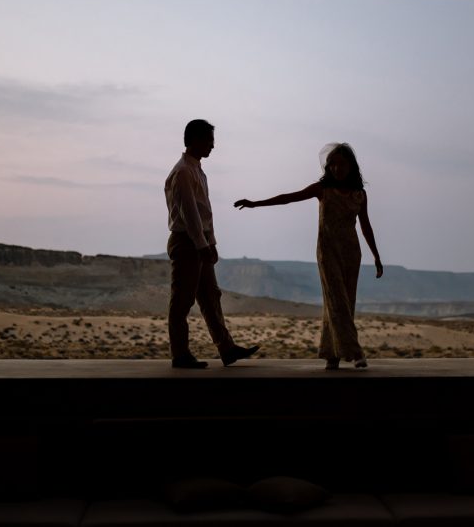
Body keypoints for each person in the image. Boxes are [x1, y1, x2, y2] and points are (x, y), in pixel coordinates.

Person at [234, 143, 383, 370]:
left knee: (343, 302)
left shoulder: (359, 195)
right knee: (337, 302)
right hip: (328, 253)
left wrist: (376, 256)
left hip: (351, 254)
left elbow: (366, 227)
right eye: (332, 164)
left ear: (351, 166)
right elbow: (288, 198)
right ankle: (355, 352)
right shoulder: (323, 189)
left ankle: (331, 354)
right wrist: (255, 204)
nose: (336, 168)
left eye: (341, 164)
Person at [164, 119, 260, 369]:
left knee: (210, 297)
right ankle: (180, 355)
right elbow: (190, 213)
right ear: (194, 140)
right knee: (182, 300)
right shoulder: (184, 171)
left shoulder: (195, 169)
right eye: (208, 140)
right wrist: (202, 244)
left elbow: (203, 212)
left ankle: (226, 348)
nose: (212, 146)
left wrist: (210, 242)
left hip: (198, 242)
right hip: (188, 243)